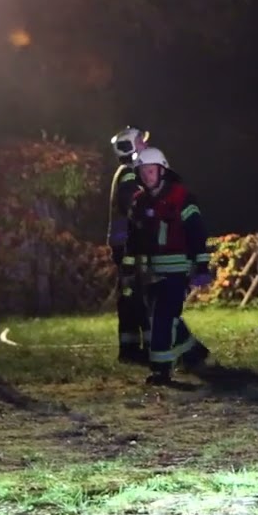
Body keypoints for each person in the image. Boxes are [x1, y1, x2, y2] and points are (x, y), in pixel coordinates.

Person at [120, 147, 213, 385]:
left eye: (151, 171)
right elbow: (133, 237)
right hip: (151, 272)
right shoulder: (139, 201)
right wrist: (129, 267)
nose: (147, 176)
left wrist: (202, 266)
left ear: (162, 170)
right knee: (165, 318)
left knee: (163, 318)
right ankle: (194, 354)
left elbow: (196, 232)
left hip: (177, 271)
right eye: (143, 172)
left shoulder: (182, 198)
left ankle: (161, 370)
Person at [108, 126, 152, 365]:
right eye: (140, 142)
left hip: (124, 243)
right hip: (129, 245)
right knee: (139, 296)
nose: (145, 145)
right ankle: (146, 347)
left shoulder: (126, 172)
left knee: (129, 296)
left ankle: (131, 348)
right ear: (130, 147)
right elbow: (134, 206)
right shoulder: (129, 174)